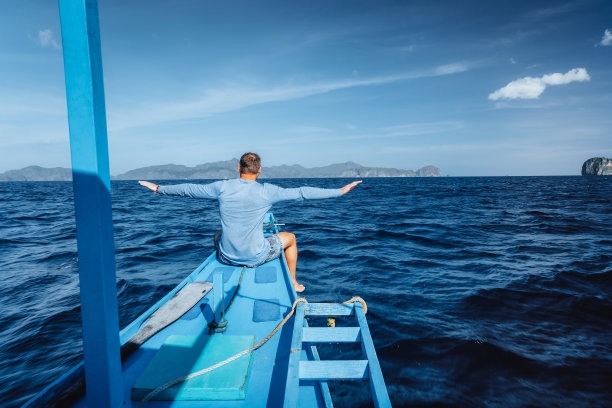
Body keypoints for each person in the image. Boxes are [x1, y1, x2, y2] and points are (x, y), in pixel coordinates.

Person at [139, 152, 361, 292]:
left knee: (218, 234)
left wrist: (158, 188)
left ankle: (226, 258)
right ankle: (293, 282)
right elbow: (302, 192)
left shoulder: (222, 187)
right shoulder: (268, 191)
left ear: (239, 168)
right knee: (291, 238)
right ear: (259, 171)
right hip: (256, 257)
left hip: (226, 257)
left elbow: (188, 190)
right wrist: (339, 192)